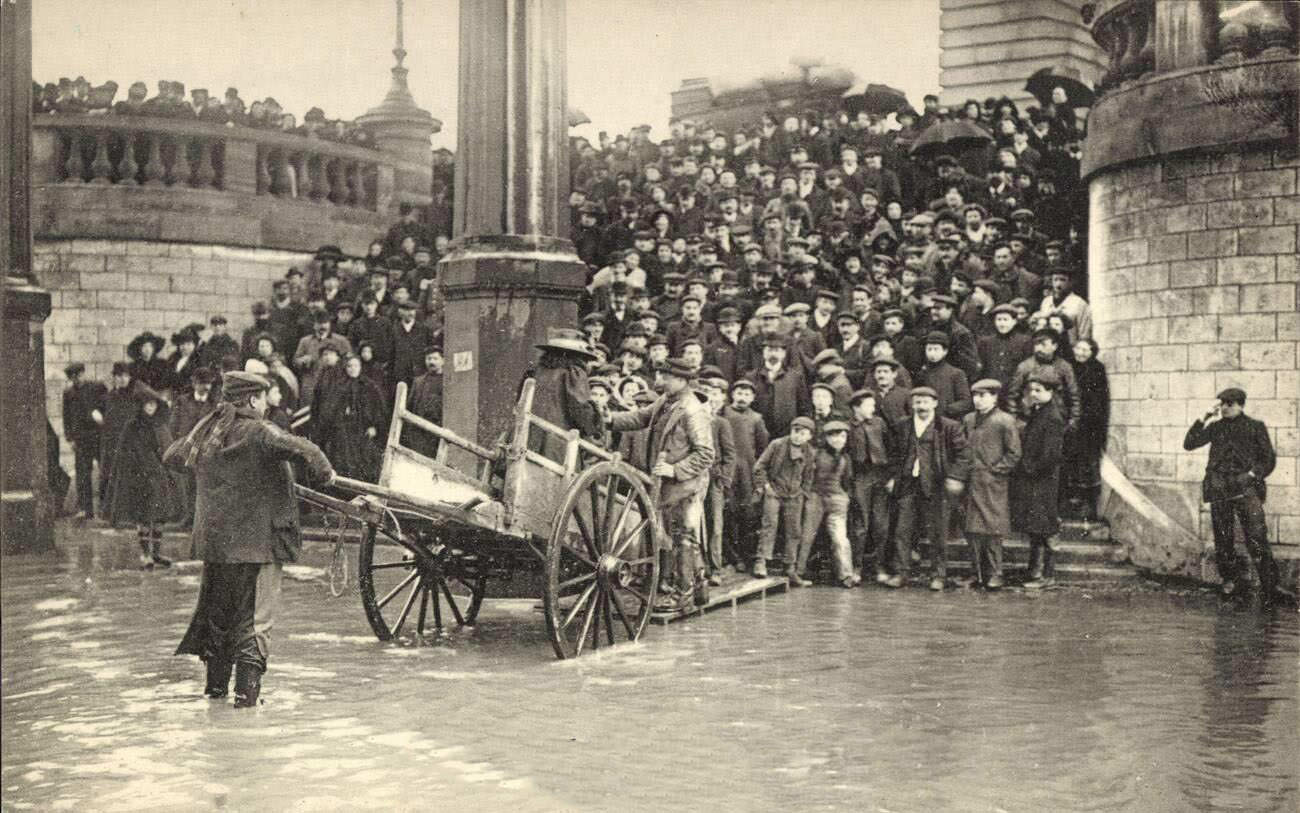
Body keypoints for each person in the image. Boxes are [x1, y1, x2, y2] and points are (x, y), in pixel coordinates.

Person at [167, 371, 334, 708]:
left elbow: (172, 456)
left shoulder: (209, 429)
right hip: (258, 545)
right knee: (256, 622)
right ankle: (245, 707)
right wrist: (325, 473)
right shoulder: (258, 429)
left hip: (216, 547)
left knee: (220, 619)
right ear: (254, 400)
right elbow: (306, 449)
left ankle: (216, 699)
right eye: (263, 397)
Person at [608, 358, 716, 610]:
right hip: (670, 484)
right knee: (683, 536)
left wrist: (674, 469)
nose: (659, 380)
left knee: (683, 538)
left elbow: (706, 454)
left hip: (687, 485)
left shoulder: (692, 410)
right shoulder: (666, 401)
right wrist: (611, 419)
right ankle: (700, 586)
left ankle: (684, 595)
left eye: (665, 377)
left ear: (680, 380)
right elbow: (640, 417)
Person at [1182, 387, 1278, 603]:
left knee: (1256, 536)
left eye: (1230, 403)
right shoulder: (1215, 427)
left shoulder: (1255, 427)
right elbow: (1189, 444)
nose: (1225, 407)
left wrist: (1252, 474)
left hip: (1245, 488)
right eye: (1222, 403)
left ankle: (1269, 586)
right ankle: (1229, 581)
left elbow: (1268, 459)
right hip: (1219, 489)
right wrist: (1204, 417)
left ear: (1241, 405)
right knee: (1223, 539)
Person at [884, 386, 970, 591]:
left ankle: (938, 575)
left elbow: (964, 455)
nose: (921, 406)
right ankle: (902, 573)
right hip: (908, 484)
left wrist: (954, 477)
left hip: (936, 486)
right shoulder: (903, 425)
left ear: (935, 403)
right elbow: (895, 454)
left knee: (937, 533)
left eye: (925, 402)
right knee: (902, 531)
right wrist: (892, 478)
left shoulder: (948, 427)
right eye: (917, 402)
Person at [961, 379, 1022, 589]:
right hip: (972, 481)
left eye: (983, 395)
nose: (978, 400)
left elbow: (1014, 453)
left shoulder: (1004, 420)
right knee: (972, 529)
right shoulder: (969, 419)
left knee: (993, 529)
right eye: (976, 396)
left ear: (995, 397)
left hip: (993, 483)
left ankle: (996, 573)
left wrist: (996, 471)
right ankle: (976, 573)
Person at [108, 384, 175, 568]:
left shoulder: (159, 424)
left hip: (158, 475)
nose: (151, 407)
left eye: (153, 404)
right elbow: (125, 452)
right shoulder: (132, 426)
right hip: (140, 477)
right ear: (141, 406)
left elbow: (167, 448)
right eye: (147, 404)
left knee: (160, 515)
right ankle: (146, 554)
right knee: (143, 516)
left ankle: (156, 553)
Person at [1011, 368, 1067, 589]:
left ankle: (1048, 576)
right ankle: (1034, 573)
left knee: (1046, 527)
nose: (1033, 393)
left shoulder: (1052, 417)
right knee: (1036, 527)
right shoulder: (1040, 410)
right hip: (1036, 478)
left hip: (1044, 480)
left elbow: (1051, 455)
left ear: (1051, 391)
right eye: (1031, 389)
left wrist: (1030, 468)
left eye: (1039, 390)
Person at [751, 416, 816, 579]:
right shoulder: (777, 445)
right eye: (796, 431)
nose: (798, 436)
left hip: (795, 495)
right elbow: (760, 466)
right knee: (769, 525)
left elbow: (809, 475)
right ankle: (761, 561)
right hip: (775, 491)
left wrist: (803, 492)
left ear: (809, 436)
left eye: (803, 433)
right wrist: (766, 486)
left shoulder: (809, 452)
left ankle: (790, 566)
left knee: (794, 530)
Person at [529, 329, 604, 462]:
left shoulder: (535, 371)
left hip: (528, 437)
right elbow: (580, 408)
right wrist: (595, 427)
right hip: (555, 444)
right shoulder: (573, 373)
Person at [799, 421, 856, 588]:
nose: (838, 439)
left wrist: (844, 497)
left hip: (837, 500)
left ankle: (846, 575)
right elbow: (808, 475)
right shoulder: (816, 454)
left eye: (842, 436)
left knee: (840, 538)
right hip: (816, 497)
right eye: (834, 436)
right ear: (827, 438)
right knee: (807, 535)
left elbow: (847, 481)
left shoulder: (846, 458)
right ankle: (798, 572)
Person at [847, 389, 893, 582]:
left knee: (881, 525)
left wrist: (891, 476)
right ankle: (856, 568)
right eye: (869, 405)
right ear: (857, 407)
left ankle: (879, 567)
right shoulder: (848, 427)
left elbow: (892, 448)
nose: (873, 408)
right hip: (860, 477)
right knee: (860, 525)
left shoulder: (879, 424)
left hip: (880, 477)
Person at [721, 379, 769, 567]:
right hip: (728, 470)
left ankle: (744, 555)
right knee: (728, 512)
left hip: (747, 473)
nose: (742, 398)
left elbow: (762, 448)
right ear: (732, 395)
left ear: (753, 398)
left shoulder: (756, 418)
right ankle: (730, 555)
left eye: (747, 394)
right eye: (739, 393)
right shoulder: (724, 413)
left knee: (747, 514)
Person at [1063, 338, 1109, 519]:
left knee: (1087, 460)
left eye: (1085, 350)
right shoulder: (1069, 366)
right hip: (1071, 419)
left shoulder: (1097, 369)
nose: (1080, 353)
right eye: (1078, 349)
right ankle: (1070, 499)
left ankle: (1086, 502)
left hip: (1090, 423)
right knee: (1070, 458)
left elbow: (1100, 399)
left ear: (1092, 352)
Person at [169, 367, 218, 529]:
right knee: (186, 484)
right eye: (202, 383)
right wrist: (177, 443)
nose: (206, 388)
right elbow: (174, 424)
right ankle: (188, 517)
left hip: (206, 450)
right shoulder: (182, 401)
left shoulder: (215, 403)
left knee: (204, 485)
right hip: (186, 448)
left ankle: (201, 520)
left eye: (208, 384)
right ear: (194, 383)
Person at [62, 362, 107, 519]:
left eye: (79, 375)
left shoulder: (97, 387)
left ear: (83, 373)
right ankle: (85, 509)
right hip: (80, 439)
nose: (77, 379)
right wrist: (70, 438)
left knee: (105, 471)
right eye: (73, 377)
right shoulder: (68, 393)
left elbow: (106, 407)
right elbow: (66, 417)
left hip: (98, 436)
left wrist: (101, 418)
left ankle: (105, 508)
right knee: (82, 473)